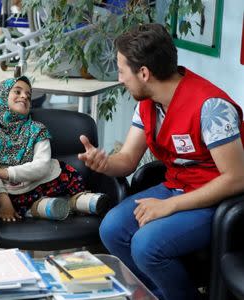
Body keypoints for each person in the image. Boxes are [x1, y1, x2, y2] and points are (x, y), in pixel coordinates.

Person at [78, 23, 244, 300]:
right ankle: (159, 294)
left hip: (219, 199)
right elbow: (128, 159)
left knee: (146, 245)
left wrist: (169, 206)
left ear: (144, 73)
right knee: (111, 229)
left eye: (121, 71)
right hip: (177, 186)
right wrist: (104, 164)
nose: (120, 79)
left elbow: (237, 177)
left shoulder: (211, 107)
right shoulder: (148, 104)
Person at [0, 76, 103, 222]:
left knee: (68, 177)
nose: (24, 96)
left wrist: (6, 172)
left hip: (49, 180)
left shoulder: (36, 129)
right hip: (13, 193)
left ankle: (81, 201)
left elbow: (42, 166)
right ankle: (53, 206)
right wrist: (5, 204)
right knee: (30, 206)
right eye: (17, 92)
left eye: (28, 95)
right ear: (1, 95)